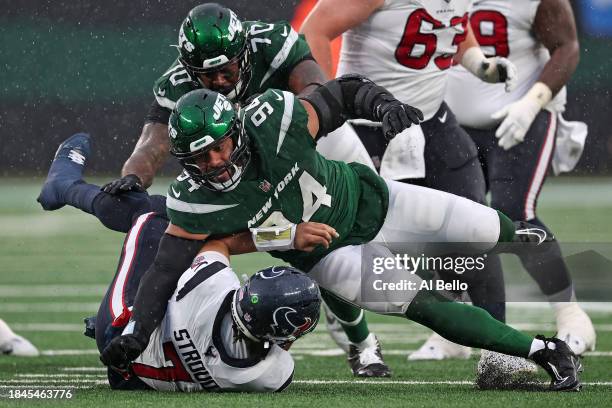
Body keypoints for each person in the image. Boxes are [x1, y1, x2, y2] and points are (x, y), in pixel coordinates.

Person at [88, 82, 583, 391]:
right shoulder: (195, 199)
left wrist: (382, 105)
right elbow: (164, 270)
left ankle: (521, 235)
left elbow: (341, 95)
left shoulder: (272, 122)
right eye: (200, 158)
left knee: (484, 228)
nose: (213, 163)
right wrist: (136, 332)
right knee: (427, 304)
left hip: (373, 199)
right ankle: (542, 351)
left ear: (235, 132)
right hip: (330, 256)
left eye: (218, 148)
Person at [97, 2, 386, 377]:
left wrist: (287, 141)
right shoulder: (177, 84)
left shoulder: (271, 42)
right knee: (324, 249)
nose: (219, 80)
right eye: (207, 73)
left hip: (300, 141)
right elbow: (152, 145)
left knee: (373, 218)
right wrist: (134, 176)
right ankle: (362, 344)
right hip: (246, 175)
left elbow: (317, 87)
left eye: (226, 69)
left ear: (243, 52)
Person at [299, 0, 518, 360]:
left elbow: (450, 25)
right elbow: (315, 31)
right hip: (369, 129)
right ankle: (348, 316)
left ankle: (501, 353)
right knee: (359, 241)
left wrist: (480, 64)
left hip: (430, 121)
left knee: (476, 229)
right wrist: (323, 108)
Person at [444, 0, 595, 356]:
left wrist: (532, 103)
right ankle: (455, 323)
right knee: (450, 217)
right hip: (453, 120)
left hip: (522, 114)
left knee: (515, 211)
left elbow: (567, 46)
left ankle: (571, 315)